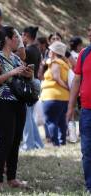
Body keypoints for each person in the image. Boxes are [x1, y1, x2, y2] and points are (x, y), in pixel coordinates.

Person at [0, 26, 33, 189]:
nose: (17, 41)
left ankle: (12, 178)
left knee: (15, 141)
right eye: (15, 37)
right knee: (5, 141)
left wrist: (28, 75)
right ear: (7, 39)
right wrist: (11, 73)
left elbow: (23, 80)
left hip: (19, 103)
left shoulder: (16, 58)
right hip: (3, 103)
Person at [67, 23, 91, 193]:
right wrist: (70, 107)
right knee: (87, 150)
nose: (89, 32)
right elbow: (76, 82)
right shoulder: (84, 54)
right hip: (87, 111)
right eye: (89, 29)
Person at [40, 41, 70, 146]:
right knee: (61, 121)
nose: (48, 51)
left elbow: (57, 78)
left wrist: (66, 87)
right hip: (64, 97)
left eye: (50, 49)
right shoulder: (65, 64)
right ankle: (62, 142)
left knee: (51, 121)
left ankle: (55, 144)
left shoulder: (55, 63)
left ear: (54, 52)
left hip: (51, 96)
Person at [20, 26, 44, 151]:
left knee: (26, 116)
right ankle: (38, 143)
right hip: (35, 84)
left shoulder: (27, 51)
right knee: (30, 116)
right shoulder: (37, 50)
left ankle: (28, 144)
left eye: (22, 35)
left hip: (28, 84)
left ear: (26, 35)